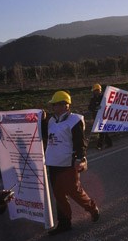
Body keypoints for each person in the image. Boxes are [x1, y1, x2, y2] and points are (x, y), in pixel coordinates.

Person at [43, 91, 100, 236]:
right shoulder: (51, 120)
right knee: (59, 195)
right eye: (53, 105)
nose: (53, 107)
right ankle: (64, 223)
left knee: (75, 192)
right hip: (53, 163)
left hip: (68, 164)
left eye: (55, 104)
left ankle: (92, 208)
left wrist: (80, 158)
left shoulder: (75, 120)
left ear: (65, 105)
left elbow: (80, 142)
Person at [88, 83, 112, 149]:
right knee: (103, 130)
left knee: (102, 130)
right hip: (96, 117)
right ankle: (109, 143)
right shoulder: (93, 99)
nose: (95, 92)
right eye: (94, 91)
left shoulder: (103, 98)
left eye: (96, 91)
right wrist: (95, 108)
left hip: (103, 117)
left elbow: (107, 106)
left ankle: (99, 145)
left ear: (99, 90)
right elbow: (89, 107)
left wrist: (101, 107)